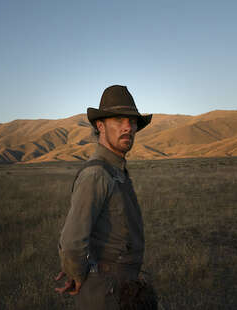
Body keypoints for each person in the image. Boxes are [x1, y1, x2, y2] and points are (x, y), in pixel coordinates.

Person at [55, 85, 157, 309]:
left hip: (122, 288)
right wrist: (77, 274)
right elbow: (72, 243)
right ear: (100, 125)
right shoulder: (96, 174)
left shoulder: (116, 170)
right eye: (119, 121)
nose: (128, 127)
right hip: (106, 294)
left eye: (132, 122)